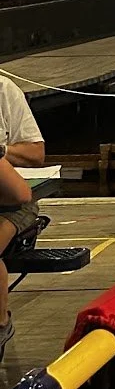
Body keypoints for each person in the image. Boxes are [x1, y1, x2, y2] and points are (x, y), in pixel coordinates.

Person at [0, 74, 45, 354]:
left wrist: (4, 151)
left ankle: (1, 323)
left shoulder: (4, 89)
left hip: (12, 205)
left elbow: (21, 194)